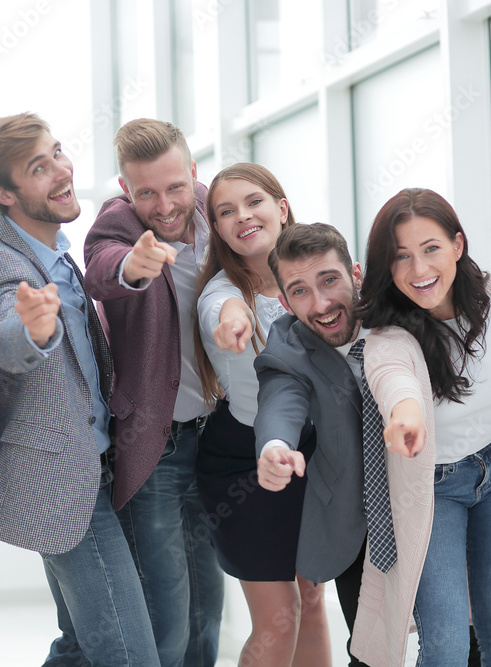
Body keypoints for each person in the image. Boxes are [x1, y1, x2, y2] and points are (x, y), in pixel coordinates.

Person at [0, 113, 159, 666]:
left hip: (93, 466)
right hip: (63, 480)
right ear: (5, 194)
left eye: (57, 153)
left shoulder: (51, 247)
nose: (61, 170)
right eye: (38, 168)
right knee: (129, 655)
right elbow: (7, 338)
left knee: (77, 647)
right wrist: (34, 329)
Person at [350, 188, 491, 666]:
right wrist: (406, 415)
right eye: (401, 256)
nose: (418, 269)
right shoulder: (389, 336)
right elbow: (394, 380)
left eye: (431, 248)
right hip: (434, 490)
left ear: (457, 245)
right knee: (446, 647)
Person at [83, 118, 224, 667]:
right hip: (156, 448)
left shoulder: (220, 210)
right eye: (146, 193)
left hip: (215, 439)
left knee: (207, 610)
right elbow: (101, 267)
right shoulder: (117, 226)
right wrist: (132, 266)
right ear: (125, 189)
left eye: (175, 187)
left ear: (194, 173)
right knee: (167, 617)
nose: (164, 206)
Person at [192, 164, 329, 666]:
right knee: (278, 617)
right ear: (217, 228)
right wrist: (233, 322)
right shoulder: (222, 293)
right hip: (243, 463)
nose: (243, 216)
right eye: (227, 211)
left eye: (254, 202)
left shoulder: (312, 276)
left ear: (282, 208)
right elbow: (223, 311)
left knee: (312, 601)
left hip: (309, 452)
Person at [254, 222, 370, 667]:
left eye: (329, 280)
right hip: (357, 524)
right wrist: (274, 446)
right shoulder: (288, 346)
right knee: (369, 652)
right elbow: (280, 401)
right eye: (300, 291)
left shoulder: (400, 314)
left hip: (438, 504)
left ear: (356, 274)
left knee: (461, 643)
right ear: (284, 302)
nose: (320, 304)